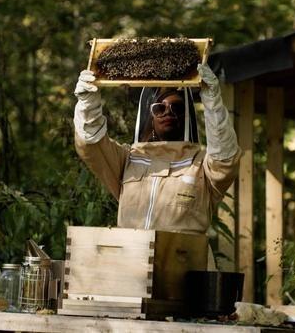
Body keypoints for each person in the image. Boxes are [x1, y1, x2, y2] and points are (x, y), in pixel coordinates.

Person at [73, 64, 240, 236]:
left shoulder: (202, 164)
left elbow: (225, 158)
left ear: (187, 115)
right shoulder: (128, 159)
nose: (168, 112)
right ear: (149, 116)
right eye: (159, 108)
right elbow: (91, 144)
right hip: (133, 259)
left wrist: (213, 103)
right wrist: (87, 104)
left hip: (184, 259)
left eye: (177, 107)